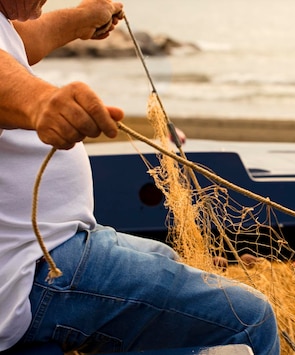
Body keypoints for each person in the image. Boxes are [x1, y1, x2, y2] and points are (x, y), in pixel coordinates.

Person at [0, 0, 280, 354]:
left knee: (167, 259)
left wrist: (81, 19)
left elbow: (16, 40)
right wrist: (41, 102)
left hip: (61, 246)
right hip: (34, 275)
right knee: (250, 321)